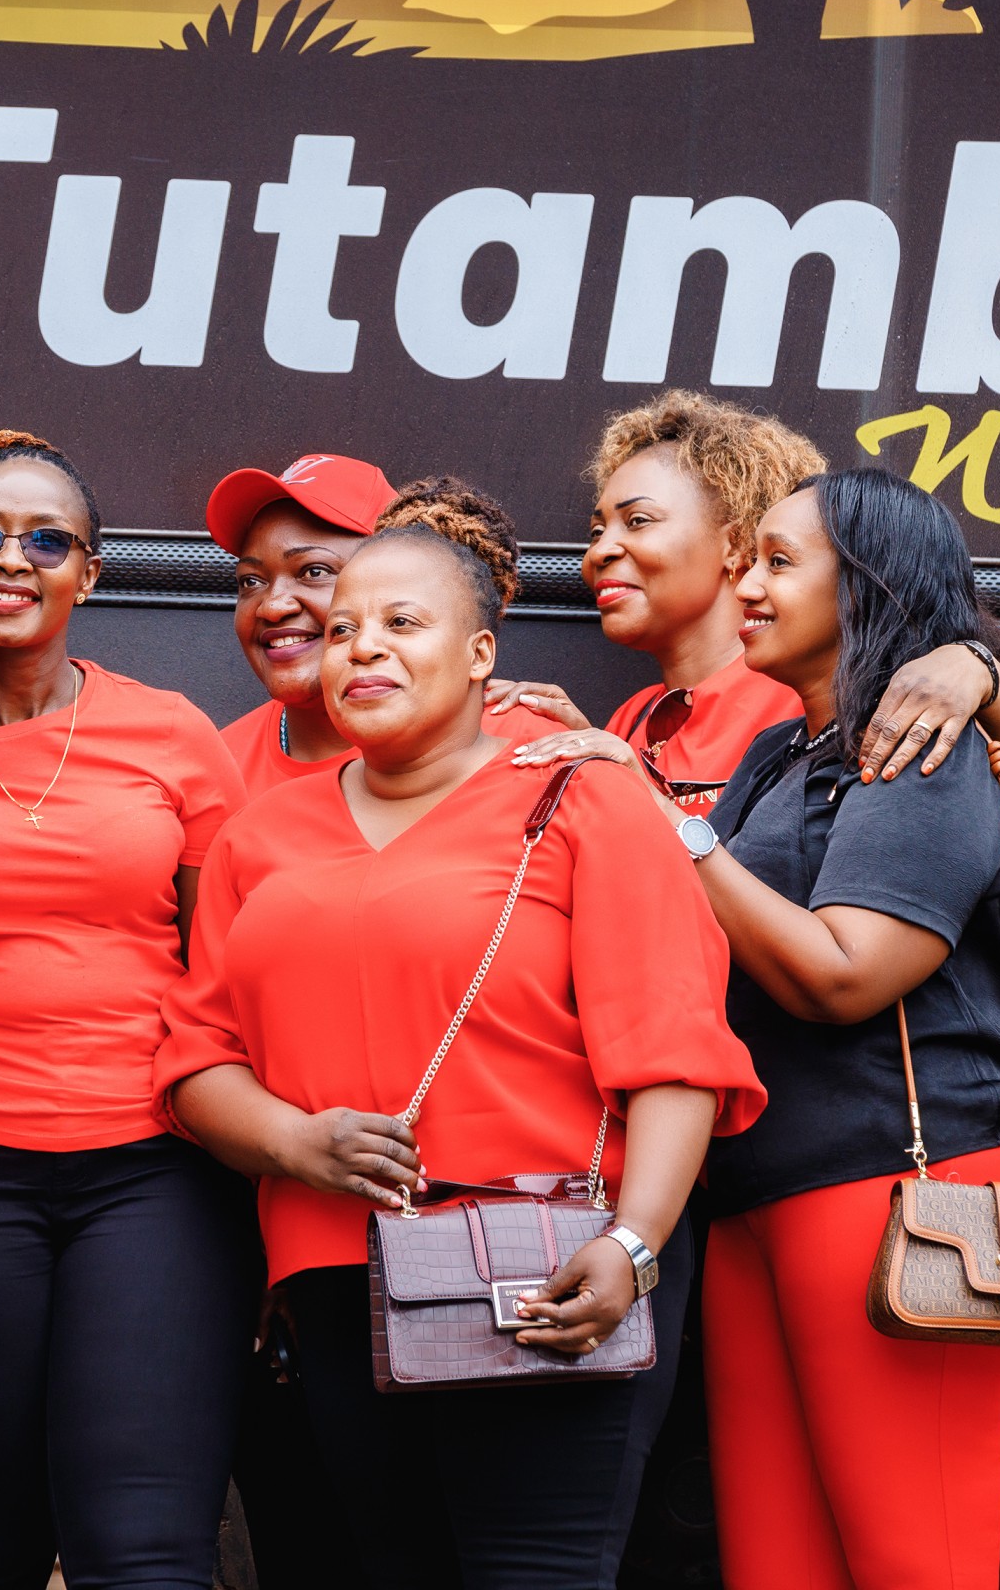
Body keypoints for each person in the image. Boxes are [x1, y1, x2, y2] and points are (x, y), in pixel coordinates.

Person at [158, 521, 767, 1590]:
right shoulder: (261, 836)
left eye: (403, 623)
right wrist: (294, 1143)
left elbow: (674, 1050)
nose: (363, 647)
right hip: (340, 1276)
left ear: (482, 654)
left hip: (547, 1265)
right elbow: (198, 1057)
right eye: (343, 630)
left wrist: (635, 1244)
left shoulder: (579, 797)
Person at [529, 466, 1000, 1589]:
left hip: (898, 1186)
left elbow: (844, 974)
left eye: (779, 563)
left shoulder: (922, 750)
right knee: (777, 1566)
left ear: (866, 587)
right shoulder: (784, 755)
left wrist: (666, 821)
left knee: (917, 1561)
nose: (747, 586)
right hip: (764, 1192)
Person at [0, 427, 259, 1590]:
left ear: (90, 574)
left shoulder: (171, 735)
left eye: (47, 540)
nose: (13, 559)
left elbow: (225, 971)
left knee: (142, 1546)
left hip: (154, 1169)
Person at [490, 390, 1000, 802]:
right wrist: (580, 752)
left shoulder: (805, 684)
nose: (600, 551)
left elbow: (985, 767)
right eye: (596, 531)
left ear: (734, 543)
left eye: (638, 521)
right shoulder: (633, 717)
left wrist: (976, 668)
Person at [210, 455, 565, 797]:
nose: (272, 606)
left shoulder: (532, 746)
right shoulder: (215, 767)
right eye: (250, 581)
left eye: (315, 571)